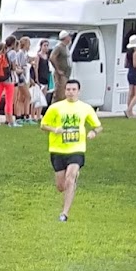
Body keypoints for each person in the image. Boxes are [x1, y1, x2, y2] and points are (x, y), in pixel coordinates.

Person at [41, 76, 100, 220]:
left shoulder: (85, 108)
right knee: (61, 186)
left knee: (70, 178)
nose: (71, 92)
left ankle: (64, 213)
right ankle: (71, 181)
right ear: (65, 91)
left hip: (76, 149)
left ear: (79, 91)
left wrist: (93, 132)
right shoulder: (55, 108)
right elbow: (43, 125)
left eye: (74, 89)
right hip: (58, 149)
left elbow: (98, 126)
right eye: (68, 89)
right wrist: (55, 130)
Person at [123, 33, 136, 118]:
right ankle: (129, 110)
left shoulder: (128, 54)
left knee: (131, 93)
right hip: (135, 73)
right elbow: (135, 65)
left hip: (130, 73)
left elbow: (125, 65)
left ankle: (130, 112)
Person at [49, 31, 73, 102]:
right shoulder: (59, 47)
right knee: (59, 93)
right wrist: (58, 70)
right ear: (65, 38)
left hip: (66, 74)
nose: (70, 38)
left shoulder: (66, 47)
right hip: (61, 75)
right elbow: (52, 57)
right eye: (69, 36)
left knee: (64, 93)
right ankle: (54, 106)